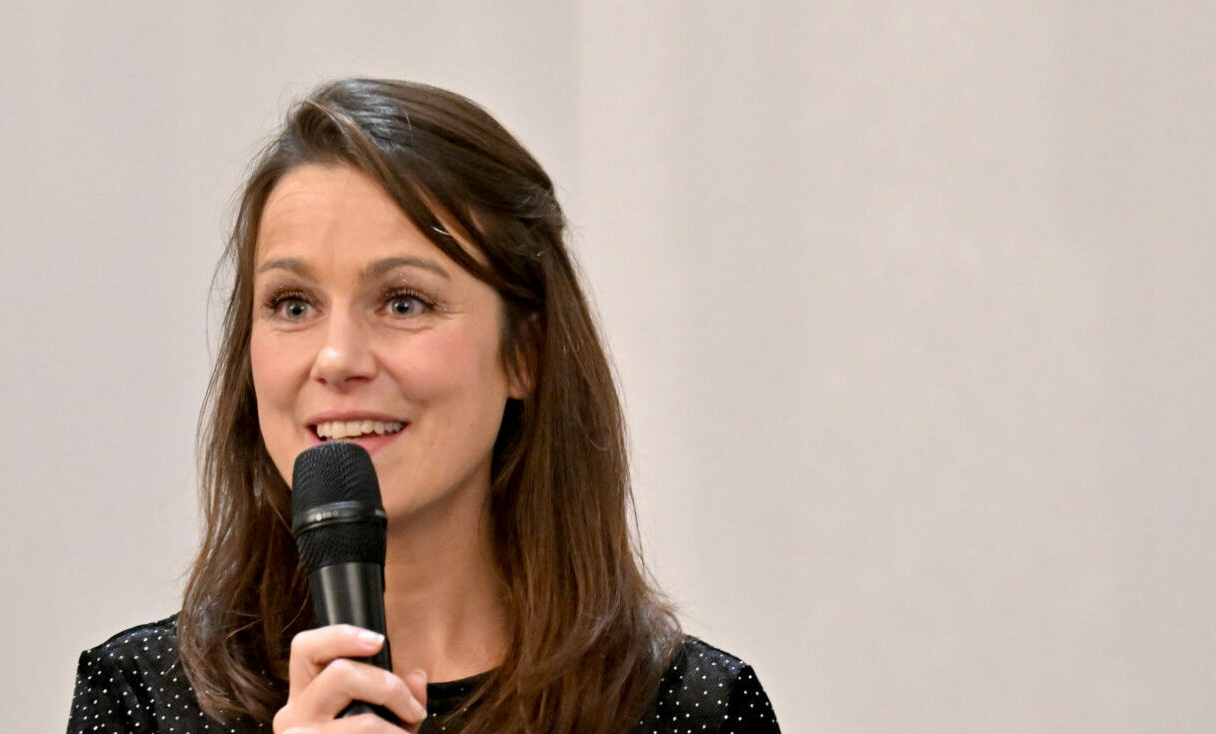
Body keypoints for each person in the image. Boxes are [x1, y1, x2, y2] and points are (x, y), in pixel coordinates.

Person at [65, 77, 781, 734]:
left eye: (404, 302)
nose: (337, 358)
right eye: (293, 304)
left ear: (525, 354)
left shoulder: (694, 711)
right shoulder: (140, 700)